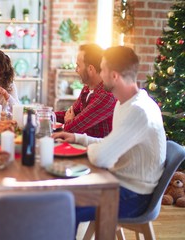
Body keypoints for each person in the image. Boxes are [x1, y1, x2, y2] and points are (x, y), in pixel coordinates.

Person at [52, 46, 166, 234]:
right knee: (64, 192)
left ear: (114, 76)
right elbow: (109, 145)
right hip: (119, 182)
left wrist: (92, 146)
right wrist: (77, 138)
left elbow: (101, 157)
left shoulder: (138, 111)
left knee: (65, 205)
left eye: (103, 69)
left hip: (135, 196)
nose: (99, 73)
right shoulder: (126, 103)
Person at [55, 44, 116, 138]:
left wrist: (70, 121)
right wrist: (44, 115)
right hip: (82, 145)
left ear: (90, 69)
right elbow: (70, 113)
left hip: (96, 150)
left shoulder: (106, 96)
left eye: (78, 66)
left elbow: (71, 129)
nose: (76, 70)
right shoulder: (87, 88)